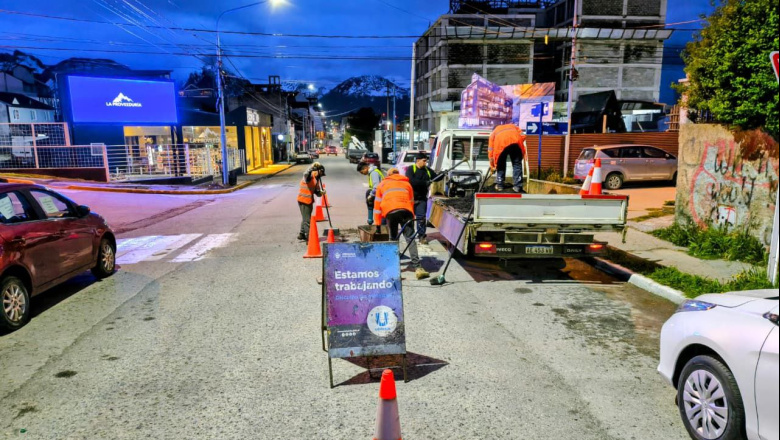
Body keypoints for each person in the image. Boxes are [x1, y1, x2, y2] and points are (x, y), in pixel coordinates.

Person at [373, 168, 430, 280]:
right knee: (410, 238)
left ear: (388, 175)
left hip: (391, 211)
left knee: (393, 238)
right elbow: (411, 202)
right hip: (406, 212)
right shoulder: (407, 184)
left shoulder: (382, 184)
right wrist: (411, 217)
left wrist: (378, 225)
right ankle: (418, 267)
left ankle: (392, 268)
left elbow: (377, 207)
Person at [405, 152, 436, 244]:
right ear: (418, 160)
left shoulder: (427, 170)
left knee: (421, 218)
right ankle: (409, 236)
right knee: (409, 218)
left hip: (422, 199)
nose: (425, 163)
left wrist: (442, 174)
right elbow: (411, 181)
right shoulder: (411, 169)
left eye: (426, 161)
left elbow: (436, 177)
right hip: (411, 199)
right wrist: (425, 183)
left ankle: (422, 236)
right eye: (424, 161)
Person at [488, 124, 527, 192]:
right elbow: (523, 136)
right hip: (516, 142)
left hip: (501, 144)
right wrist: (515, 139)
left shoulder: (493, 133)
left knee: (501, 164)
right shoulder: (513, 126)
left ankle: (500, 185)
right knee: (517, 164)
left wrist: (492, 166)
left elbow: (490, 151)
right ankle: (517, 186)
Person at [296, 162, 325, 241]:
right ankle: (310, 238)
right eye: (321, 174)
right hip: (303, 200)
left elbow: (317, 192)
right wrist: (312, 166)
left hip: (309, 201)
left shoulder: (316, 179)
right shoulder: (309, 176)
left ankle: (302, 234)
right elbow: (305, 173)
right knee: (307, 220)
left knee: (305, 218)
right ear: (317, 171)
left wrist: (321, 193)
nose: (321, 176)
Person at [357, 161, 385, 225]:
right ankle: (372, 221)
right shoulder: (372, 172)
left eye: (362, 172)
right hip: (381, 194)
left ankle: (374, 222)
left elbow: (376, 187)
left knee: (369, 194)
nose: (362, 174)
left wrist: (371, 196)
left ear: (366, 168)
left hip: (381, 195)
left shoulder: (374, 173)